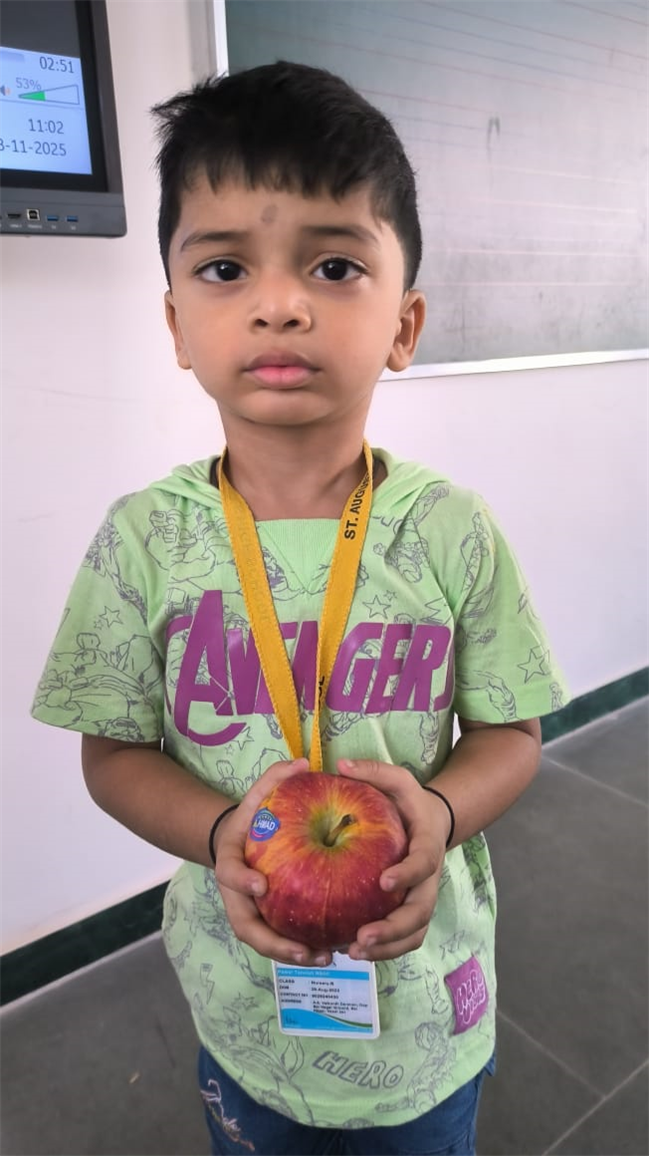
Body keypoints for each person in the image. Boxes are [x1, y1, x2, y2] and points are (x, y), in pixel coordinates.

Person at [32, 61, 568, 1156]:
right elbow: (113, 755)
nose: (279, 301)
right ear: (177, 324)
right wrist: (223, 828)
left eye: (332, 263)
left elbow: (512, 732)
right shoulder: (142, 543)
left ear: (403, 322)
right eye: (225, 267)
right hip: (243, 999)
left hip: (419, 1002)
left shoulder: (450, 530)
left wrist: (445, 811)